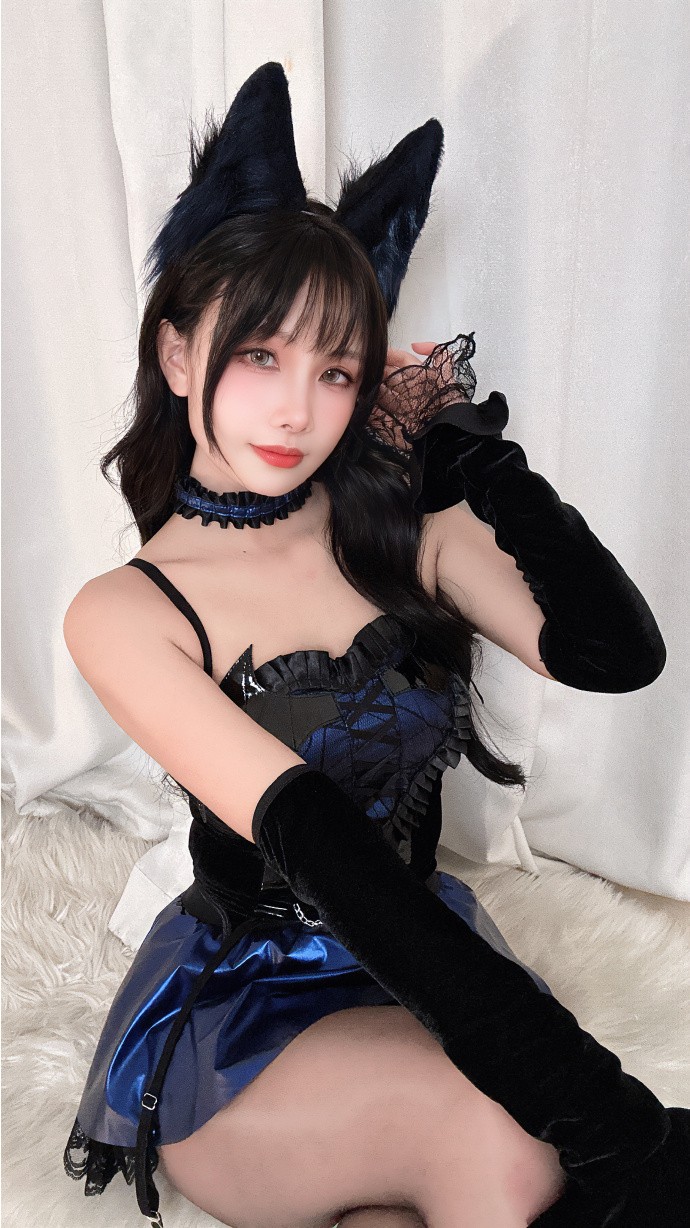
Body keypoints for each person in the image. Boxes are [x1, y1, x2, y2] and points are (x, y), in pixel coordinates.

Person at [62, 63, 688, 1228]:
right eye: (260, 355)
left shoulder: (404, 532)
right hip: (243, 1027)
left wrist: (481, 466)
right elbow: (325, 851)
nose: (297, 409)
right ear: (179, 355)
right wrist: (599, 1107)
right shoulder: (128, 610)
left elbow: (613, 653)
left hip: (425, 979)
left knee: (468, 1167)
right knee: (504, 1135)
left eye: (336, 369)